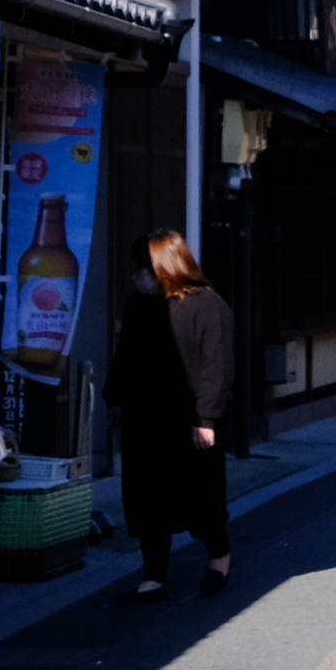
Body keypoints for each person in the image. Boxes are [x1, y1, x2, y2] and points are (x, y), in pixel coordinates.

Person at [112, 230, 238, 600]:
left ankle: (219, 556)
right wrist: (115, 399)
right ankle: (154, 573)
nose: (137, 276)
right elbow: (124, 356)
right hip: (145, 418)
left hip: (189, 420)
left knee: (201, 496)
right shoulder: (139, 304)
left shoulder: (206, 305)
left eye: (143, 269)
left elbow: (218, 365)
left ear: (165, 268)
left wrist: (207, 418)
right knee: (147, 501)